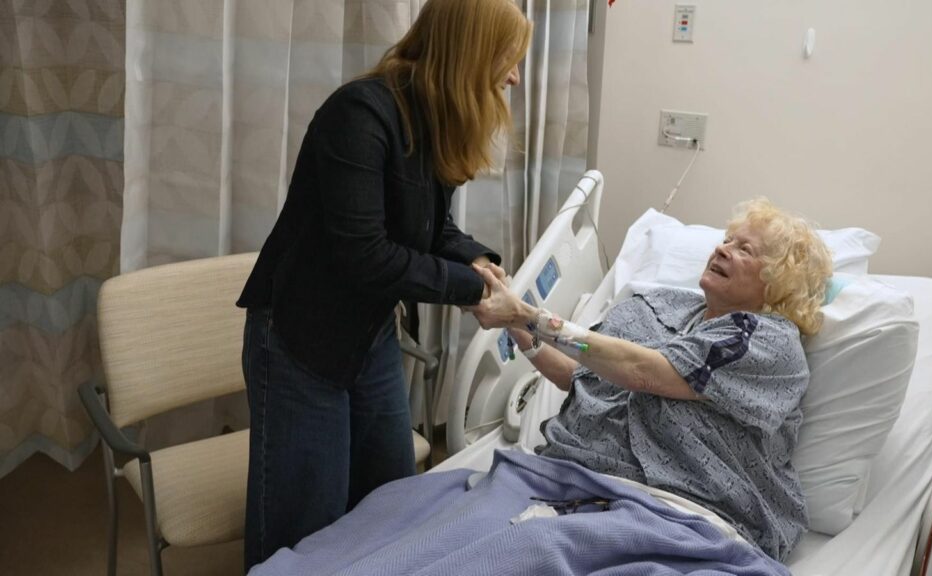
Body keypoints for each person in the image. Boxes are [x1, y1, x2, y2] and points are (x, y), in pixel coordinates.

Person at [235, 0, 532, 570]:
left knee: (391, 502)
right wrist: (469, 293)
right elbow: (365, 256)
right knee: (305, 527)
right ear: (468, 53)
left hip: (369, 334)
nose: (514, 76)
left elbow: (429, 226)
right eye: (506, 59)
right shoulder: (360, 116)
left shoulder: (435, 116)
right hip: (300, 341)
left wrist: (481, 265)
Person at [468, 197, 833, 561]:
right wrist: (513, 321)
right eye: (727, 240)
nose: (722, 250)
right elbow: (578, 377)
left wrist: (529, 315)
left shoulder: (770, 343)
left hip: (682, 513)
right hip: (568, 481)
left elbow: (644, 373)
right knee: (462, 530)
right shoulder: (657, 307)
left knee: (528, 555)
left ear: (778, 282)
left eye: (745, 249)